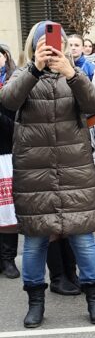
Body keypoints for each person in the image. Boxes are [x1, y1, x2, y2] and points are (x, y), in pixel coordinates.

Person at [0, 21, 95, 328]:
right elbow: (8, 101)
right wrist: (34, 69)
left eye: (57, 42)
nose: (52, 46)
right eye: (45, 42)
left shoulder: (74, 75)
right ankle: (35, 303)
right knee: (35, 241)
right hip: (35, 172)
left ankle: (94, 300)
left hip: (74, 168)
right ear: (33, 45)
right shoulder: (21, 74)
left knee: (83, 239)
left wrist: (72, 74)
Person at [0, 43, 19, 278]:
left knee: (8, 211)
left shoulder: (13, 85)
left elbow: (15, 128)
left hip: (5, 154)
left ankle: (8, 258)